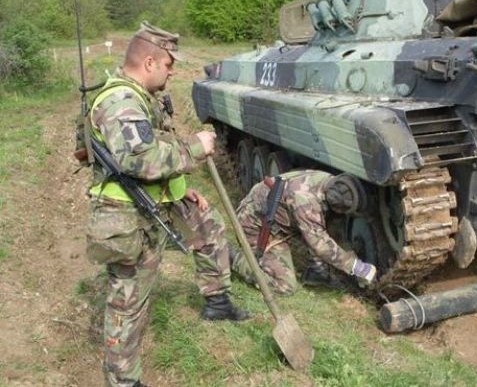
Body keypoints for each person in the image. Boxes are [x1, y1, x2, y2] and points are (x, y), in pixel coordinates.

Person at [84, 22, 249, 387]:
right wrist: (196, 148)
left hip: (153, 198)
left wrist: (179, 190)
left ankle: (217, 301)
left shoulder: (142, 97)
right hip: (125, 215)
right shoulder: (122, 102)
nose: (172, 71)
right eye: (169, 64)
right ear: (149, 62)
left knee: (207, 225)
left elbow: (154, 147)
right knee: (129, 299)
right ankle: (124, 380)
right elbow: (139, 160)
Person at [231, 169, 377, 296]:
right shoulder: (305, 201)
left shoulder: (327, 181)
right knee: (285, 286)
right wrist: (355, 267)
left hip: (276, 220)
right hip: (256, 226)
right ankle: (232, 256)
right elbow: (319, 244)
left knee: (321, 231)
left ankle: (317, 273)